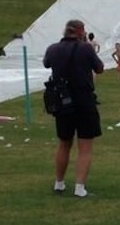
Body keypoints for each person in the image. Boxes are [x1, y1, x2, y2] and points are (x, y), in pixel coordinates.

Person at [43, 19, 105, 198]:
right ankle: (79, 188)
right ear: (80, 32)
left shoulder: (53, 49)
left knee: (64, 143)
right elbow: (99, 68)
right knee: (85, 145)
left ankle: (59, 183)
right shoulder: (85, 48)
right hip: (84, 100)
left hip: (62, 102)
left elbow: (47, 64)